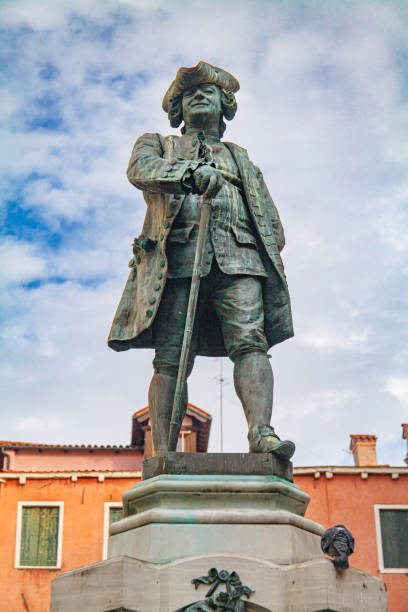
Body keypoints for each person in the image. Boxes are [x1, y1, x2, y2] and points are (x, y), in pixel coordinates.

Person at [108, 61, 294, 459]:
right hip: (177, 260)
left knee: (251, 343)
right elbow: (141, 170)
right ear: (177, 108)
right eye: (188, 93)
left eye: (207, 92)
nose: (198, 96)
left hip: (240, 258)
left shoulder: (241, 158)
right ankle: (163, 450)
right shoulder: (158, 144)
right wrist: (191, 173)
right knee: (171, 357)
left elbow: (272, 222)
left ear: (225, 106)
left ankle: (262, 432)